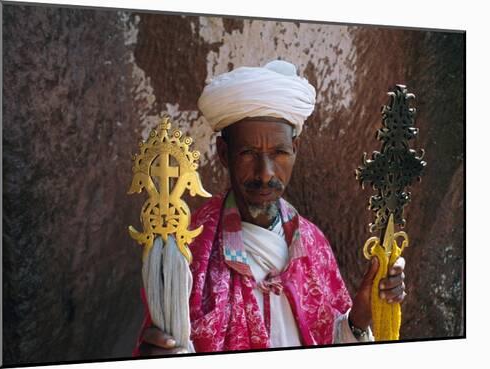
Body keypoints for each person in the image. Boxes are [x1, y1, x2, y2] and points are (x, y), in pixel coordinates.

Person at [135, 60, 406, 355]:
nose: (265, 173)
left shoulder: (313, 243)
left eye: (278, 153)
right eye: (248, 153)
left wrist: (360, 315)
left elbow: (330, 341)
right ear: (224, 154)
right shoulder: (189, 249)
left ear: (295, 150)